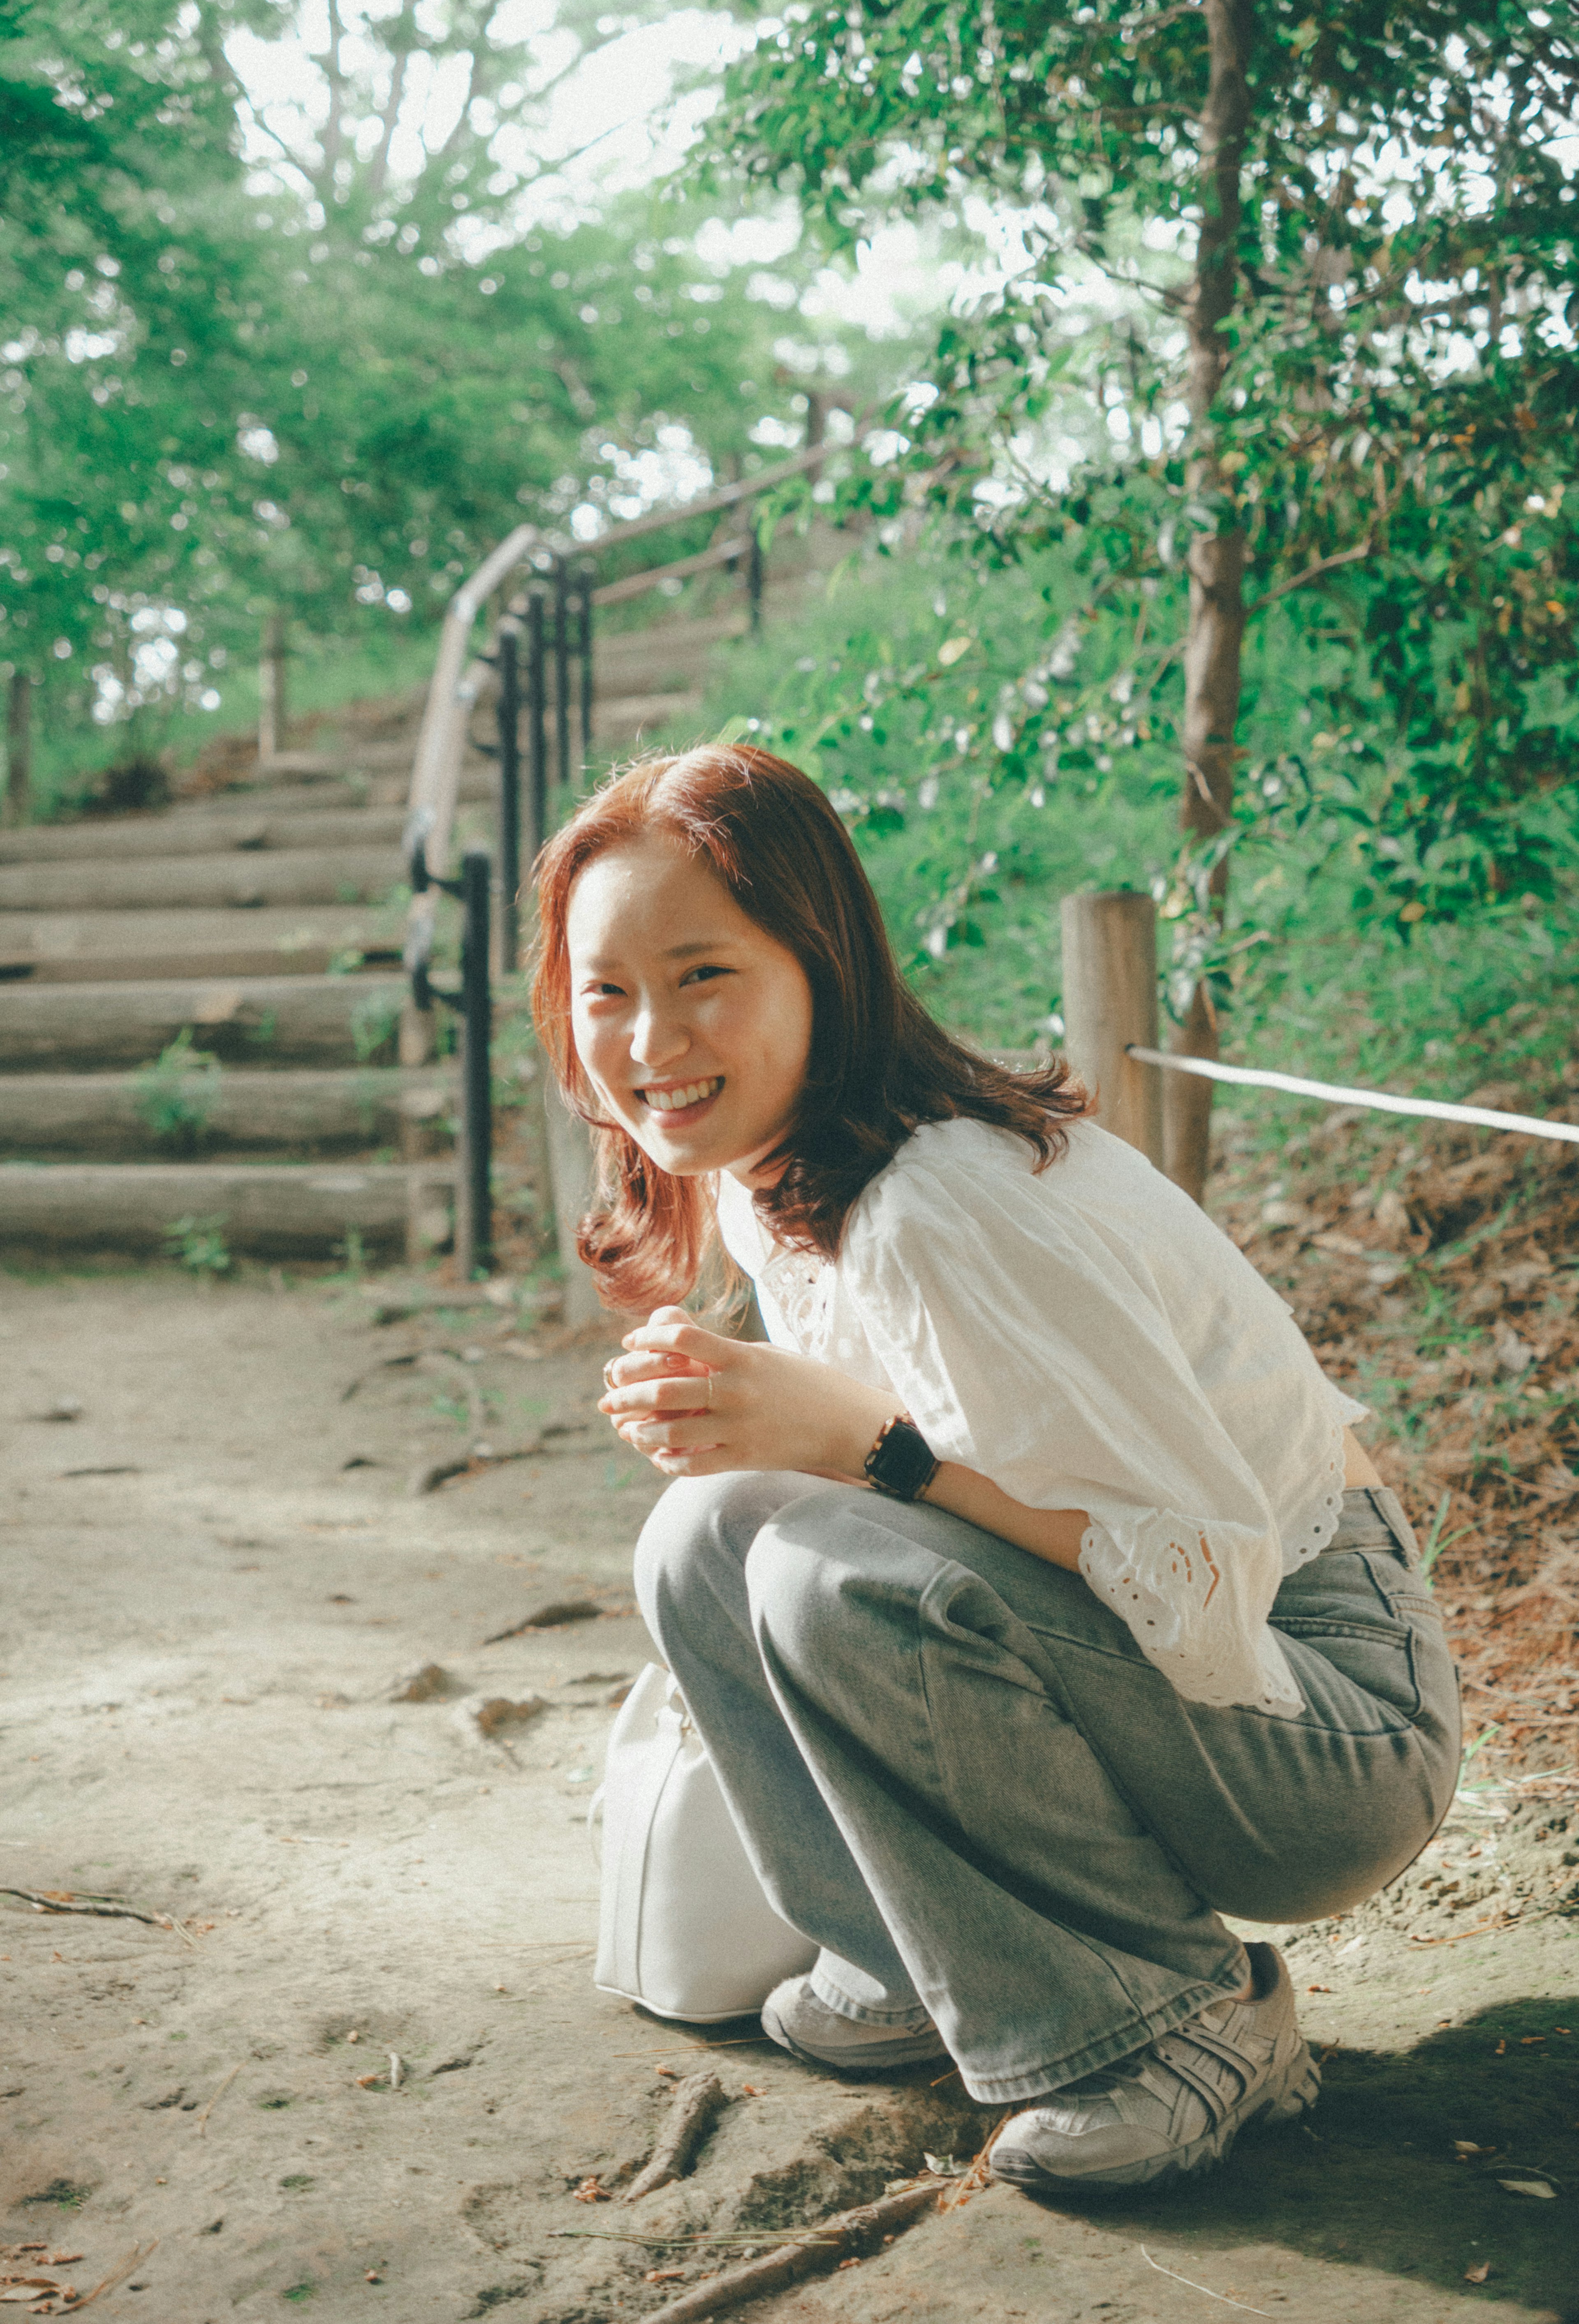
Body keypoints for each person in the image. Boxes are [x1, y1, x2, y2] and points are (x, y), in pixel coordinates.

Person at [530, 741, 1460, 2194]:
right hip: (1219, 1686)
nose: (651, 1037)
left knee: (826, 1571)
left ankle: (1184, 2023)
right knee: (704, 1537)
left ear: (820, 967)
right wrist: (769, 1442)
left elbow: (1203, 1576)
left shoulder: (936, 1199)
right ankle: (917, 1958)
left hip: (1334, 1723)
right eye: (609, 990)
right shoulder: (778, 1173)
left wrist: (859, 1446)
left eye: (703, 973)